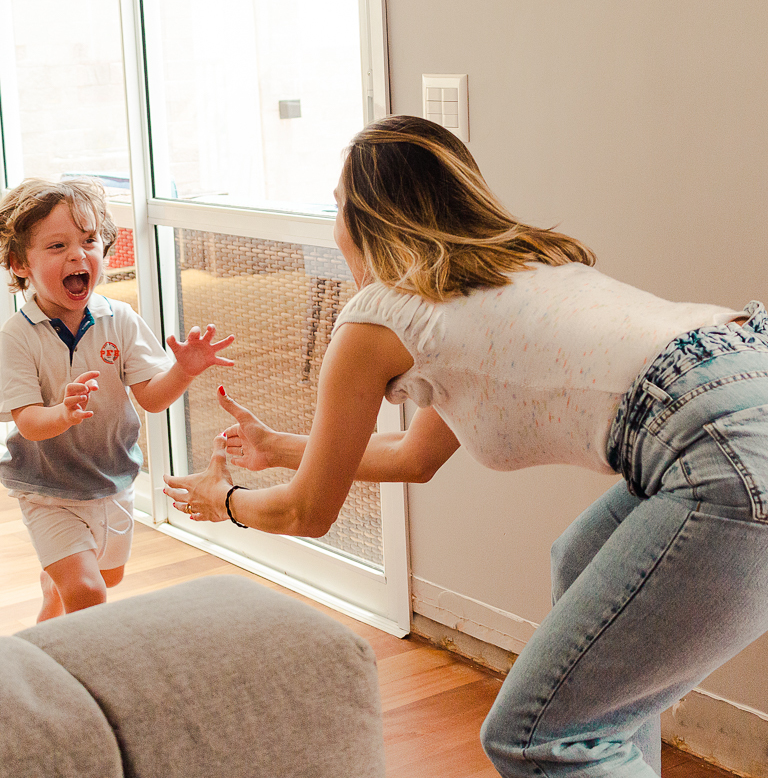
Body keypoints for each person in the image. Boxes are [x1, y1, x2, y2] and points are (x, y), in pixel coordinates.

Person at [163, 114, 768, 778]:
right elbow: (413, 457)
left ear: (365, 219)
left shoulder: (379, 315)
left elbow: (306, 512)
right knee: (580, 561)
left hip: (717, 443)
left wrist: (223, 500)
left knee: (537, 737)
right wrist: (278, 447)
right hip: (741, 377)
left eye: (337, 207)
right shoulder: (519, 270)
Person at [0, 176, 233, 622]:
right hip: (47, 490)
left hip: (112, 479)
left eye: (88, 241)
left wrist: (183, 370)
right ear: (21, 263)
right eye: (57, 246)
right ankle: (66, 655)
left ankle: (53, 582)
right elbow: (27, 422)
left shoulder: (120, 319)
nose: (77, 255)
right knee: (87, 591)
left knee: (108, 577)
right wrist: (62, 414)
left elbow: (152, 399)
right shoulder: (18, 335)